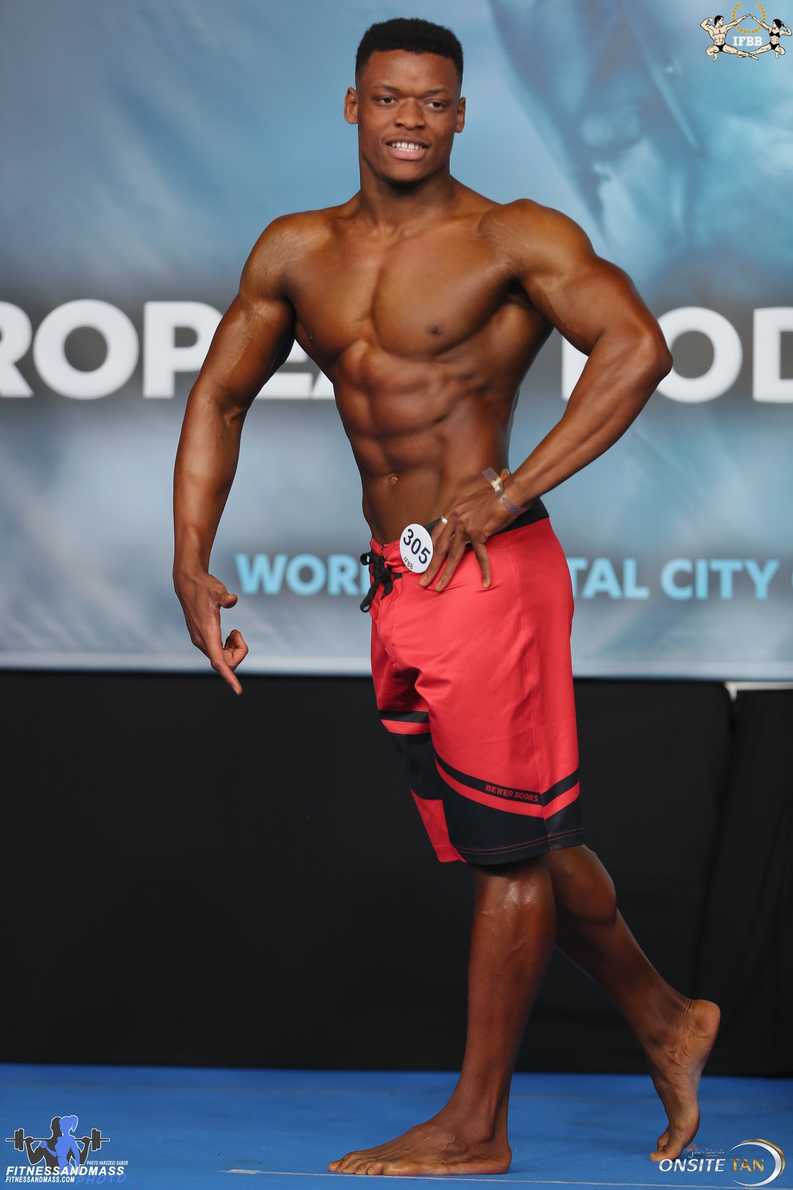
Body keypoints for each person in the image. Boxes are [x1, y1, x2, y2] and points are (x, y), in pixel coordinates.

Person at [172, 17, 721, 1179]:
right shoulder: (296, 250)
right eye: (389, 98)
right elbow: (219, 395)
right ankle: (669, 1018)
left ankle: (475, 1127)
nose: (410, 119)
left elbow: (636, 347)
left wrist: (512, 486)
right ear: (353, 106)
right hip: (398, 580)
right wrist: (189, 557)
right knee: (516, 838)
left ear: (461, 114)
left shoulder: (511, 236)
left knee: (506, 855)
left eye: (432, 100)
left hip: (492, 574)